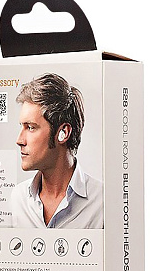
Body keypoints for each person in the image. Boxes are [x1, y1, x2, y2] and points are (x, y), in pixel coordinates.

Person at [11, 73, 103, 229]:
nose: (19, 140)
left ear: (63, 133)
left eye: (31, 127)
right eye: (22, 127)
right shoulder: (18, 199)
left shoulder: (102, 202)